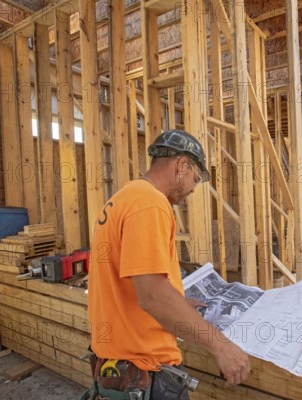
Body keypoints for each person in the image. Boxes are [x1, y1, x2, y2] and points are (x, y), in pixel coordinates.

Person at [86, 130, 250, 399]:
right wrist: (221, 347)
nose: (194, 188)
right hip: (145, 369)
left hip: (117, 364)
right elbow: (153, 296)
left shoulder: (126, 197)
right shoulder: (150, 204)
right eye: (195, 178)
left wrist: (178, 303)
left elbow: (135, 283)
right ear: (181, 166)